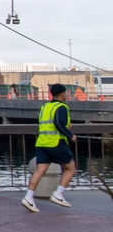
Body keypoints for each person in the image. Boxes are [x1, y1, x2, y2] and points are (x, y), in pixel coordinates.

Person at [22, 83, 76, 212]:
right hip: (56, 142)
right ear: (62, 93)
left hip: (42, 142)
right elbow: (58, 123)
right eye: (66, 93)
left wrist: (65, 128)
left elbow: (49, 124)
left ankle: (28, 197)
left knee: (40, 170)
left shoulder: (45, 106)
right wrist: (70, 135)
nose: (66, 95)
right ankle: (58, 194)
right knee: (70, 168)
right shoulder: (62, 107)